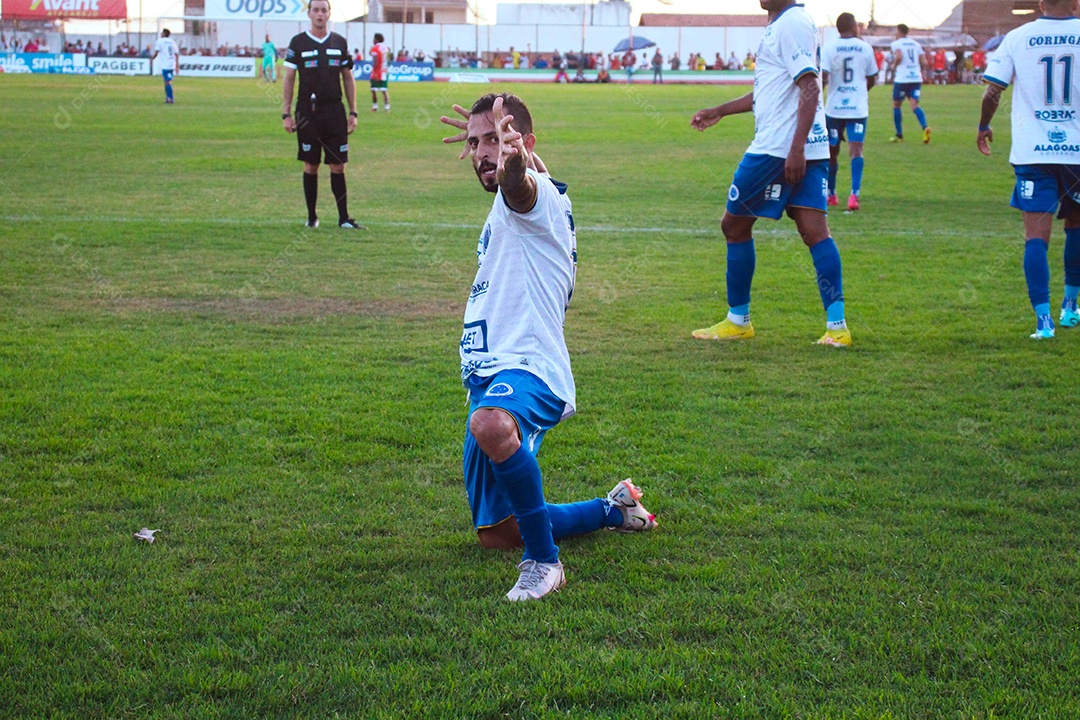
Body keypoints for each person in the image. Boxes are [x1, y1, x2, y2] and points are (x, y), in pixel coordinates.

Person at [438, 93, 657, 601]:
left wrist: (514, 163)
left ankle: (544, 565)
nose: (481, 153)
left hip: (529, 366)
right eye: (475, 143)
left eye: (493, 139)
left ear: (524, 143)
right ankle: (613, 509)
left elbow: (521, 187)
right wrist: (513, 156)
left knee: (492, 424)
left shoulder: (537, 201)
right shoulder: (524, 202)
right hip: (488, 373)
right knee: (498, 533)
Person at [690, 0, 851, 347]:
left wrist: (795, 149)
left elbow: (810, 87)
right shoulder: (789, 22)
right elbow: (772, 91)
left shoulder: (791, 23)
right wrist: (721, 110)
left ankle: (738, 320)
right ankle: (837, 328)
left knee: (733, 226)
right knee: (814, 231)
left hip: (777, 149)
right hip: (809, 145)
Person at [978, 0, 1080, 338]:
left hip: (1033, 151)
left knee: (1035, 236)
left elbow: (994, 89)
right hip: (1076, 153)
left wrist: (983, 126)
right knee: (1077, 229)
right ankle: (1070, 306)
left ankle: (1043, 321)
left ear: (1040, 3)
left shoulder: (1018, 36)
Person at [281, 0, 363, 230]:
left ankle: (343, 218)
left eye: (323, 10)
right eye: (315, 10)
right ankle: (312, 217)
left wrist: (353, 111)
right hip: (308, 112)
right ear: (308, 13)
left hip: (334, 111)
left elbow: (348, 77)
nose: (319, 14)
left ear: (329, 14)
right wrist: (286, 113)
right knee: (311, 165)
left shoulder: (339, 42)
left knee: (338, 166)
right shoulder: (298, 43)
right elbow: (289, 79)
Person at [821, 12, 877, 212]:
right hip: (857, 108)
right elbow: (872, 78)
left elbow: (823, 77)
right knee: (856, 150)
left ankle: (831, 194)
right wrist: (860, 91)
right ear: (854, 26)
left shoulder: (829, 47)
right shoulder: (865, 48)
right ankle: (854, 194)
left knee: (831, 152)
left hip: (835, 108)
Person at [889, 24, 931, 143]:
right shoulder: (916, 44)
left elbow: (899, 56)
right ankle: (925, 127)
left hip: (902, 78)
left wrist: (894, 65)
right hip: (916, 78)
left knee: (896, 105)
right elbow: (924, 62)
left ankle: (899, 135)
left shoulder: (896, 44)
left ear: (899, 31)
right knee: (914, 106)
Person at [151, 29, 179, 105]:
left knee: (167, 82)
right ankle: (168, 97)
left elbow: (156, 52)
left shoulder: (160, 41)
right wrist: (177, 65)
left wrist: (151, 59)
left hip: (166, 65)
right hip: (172, 64)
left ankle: (170, 98)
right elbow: (176, 54)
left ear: (164, 33)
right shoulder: (172, 42)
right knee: (167, 81)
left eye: (162, 33)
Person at [369, 32, 391, 112]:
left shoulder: (375, 48)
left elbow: (375, 60)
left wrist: (374, 71)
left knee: (373, 89)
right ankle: (387, 107)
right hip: (384, 71)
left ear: (376, 39)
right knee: (384, 90)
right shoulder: (386, 48)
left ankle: (375, 107)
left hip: (377, 71)